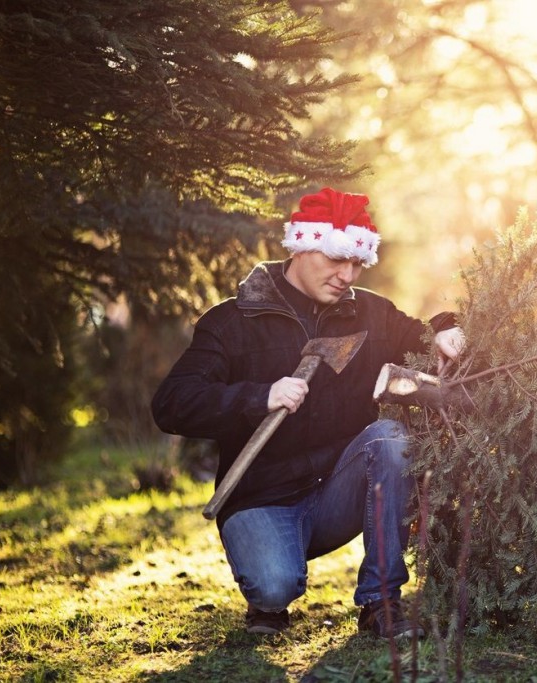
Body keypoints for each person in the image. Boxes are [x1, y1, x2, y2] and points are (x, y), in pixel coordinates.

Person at [151, 188, 465, 638]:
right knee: (275, 588)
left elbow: (421, 333)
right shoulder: (231, 321)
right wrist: (258, 397)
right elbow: (171, 404)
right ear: (301, 245)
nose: (346, 274)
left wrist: (445, 329)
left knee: (390, 438)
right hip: (262, 498)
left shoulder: (367, 312)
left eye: (355, 263)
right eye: (335, 258)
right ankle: (267, 594)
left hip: (338, 491)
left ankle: (381, 604)